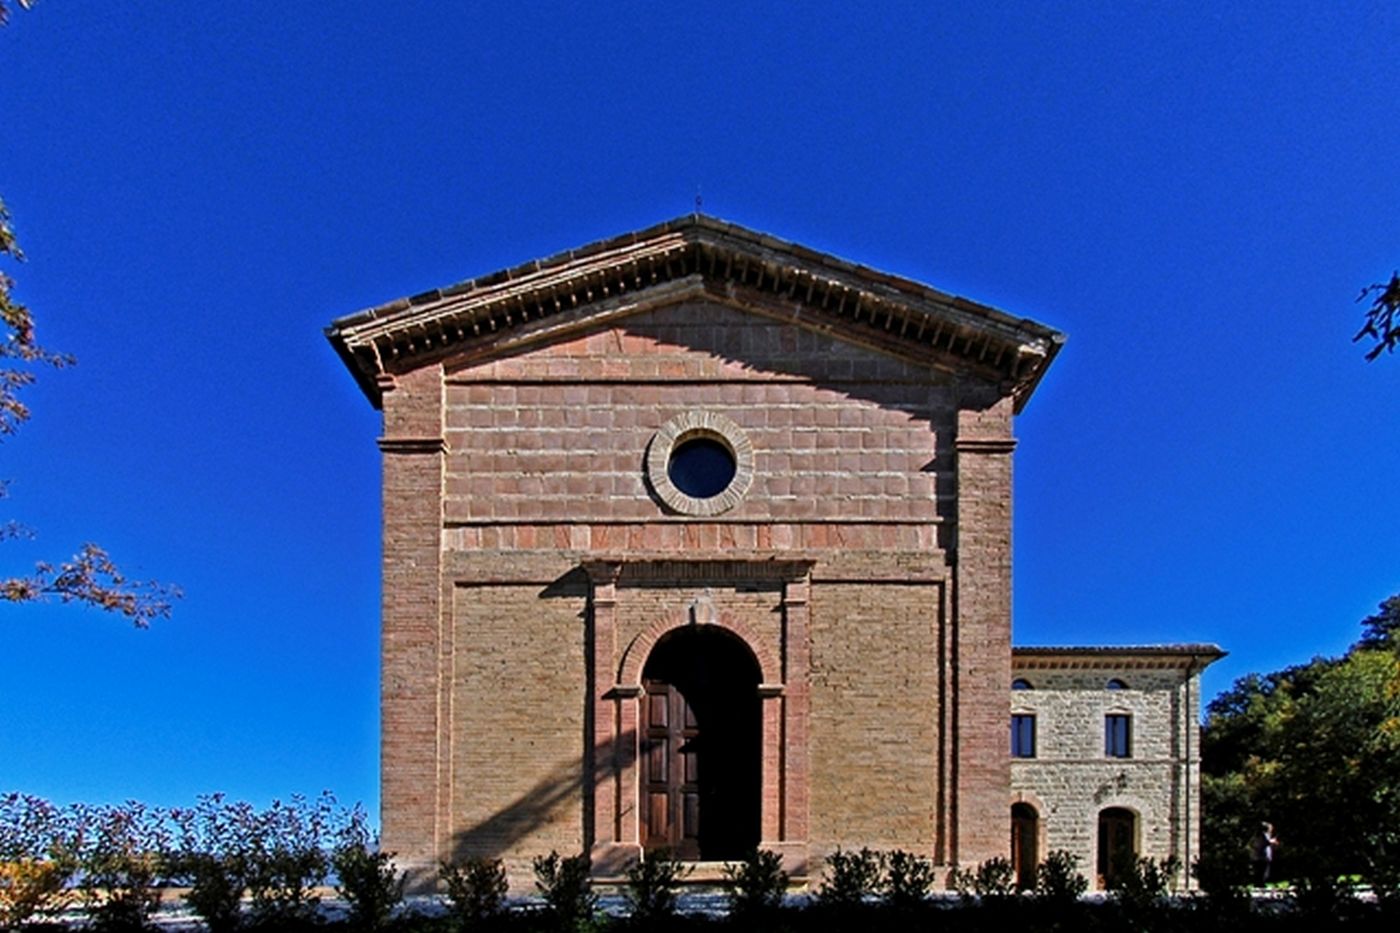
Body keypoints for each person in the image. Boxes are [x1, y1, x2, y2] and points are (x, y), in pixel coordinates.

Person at [1250, 822, 1279, 886]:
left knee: (1263, 873)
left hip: (1262, 857)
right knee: (1260, 873)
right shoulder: (1260, 836)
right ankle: (1259, 885)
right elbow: (1260, 844)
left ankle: (1260, 884)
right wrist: (1270, 842)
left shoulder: (1264, 836)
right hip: (1259, 857)